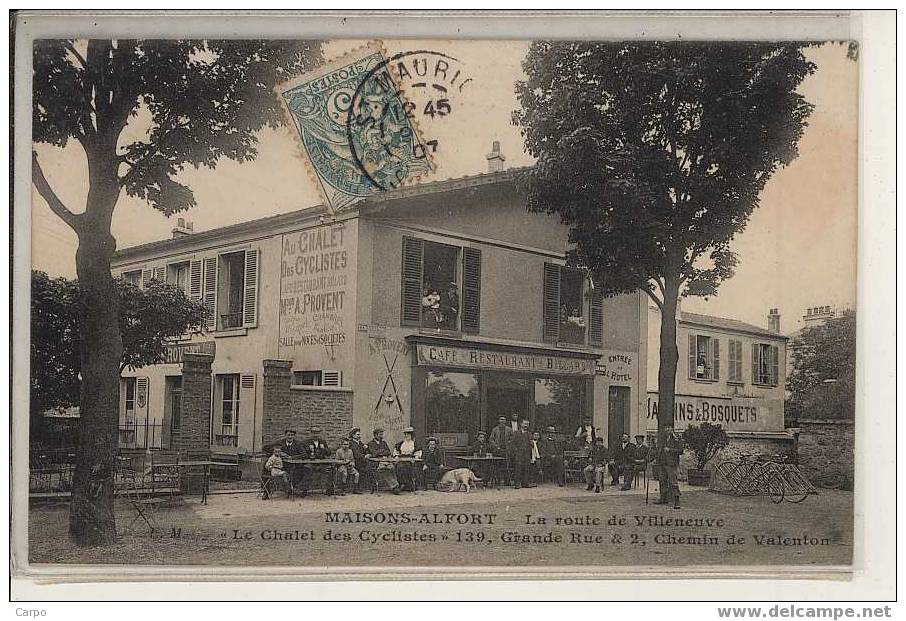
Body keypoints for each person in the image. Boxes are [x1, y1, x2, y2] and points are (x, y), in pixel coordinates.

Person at [655, 427, 684, 508]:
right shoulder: (662, 439)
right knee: (662, 481)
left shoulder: (676, 439)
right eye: (666, 428)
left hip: (671, 464)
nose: (667, 430)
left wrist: (670, 450)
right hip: (662, 463)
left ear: (672, 429)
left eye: (669, 428)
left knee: (673, 482)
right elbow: (659, 449)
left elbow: (681, 451)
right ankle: (663, 498)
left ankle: (677, 500)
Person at [367, 427, 401, 494]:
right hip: (377, 463)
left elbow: (388, 452)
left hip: (386, 461)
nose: (382, 436)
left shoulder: (384, 443)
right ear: (375, 435)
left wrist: (379, 452)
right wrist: (382, 451)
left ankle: (395, 486)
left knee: (392, 467)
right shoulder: (371, 444)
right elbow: (374, 453)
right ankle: (395, 487)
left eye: (382, 434)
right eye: (380, 435)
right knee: (384, 469)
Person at [278, 429, 307, 496]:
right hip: (283, 465)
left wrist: (292, 457)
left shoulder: (298, 443)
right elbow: (267, 447)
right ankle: (266, 491)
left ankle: (293, 488)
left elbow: (304, 454)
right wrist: (279, 453)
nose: (290, 437)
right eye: (288, 435)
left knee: (303, 471)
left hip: (295, 466)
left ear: (294, 436)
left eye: (292, 435)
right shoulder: (280, 442)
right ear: (285, 435)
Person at [394, 426, 421, 492]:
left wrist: (415, 458)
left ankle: (409, 486)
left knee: (408, 467)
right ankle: (402, 484)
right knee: (399, 467)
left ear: (411, 435)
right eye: (405, 434)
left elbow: (418, 452)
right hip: (402, 459)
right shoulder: (401, 443)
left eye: (408, 434)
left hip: (411, 460)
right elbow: (396, 452)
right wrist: (397, 457)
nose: (406, 436)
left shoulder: (415, 444)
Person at [510, 419, 533, 489]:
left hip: (527, 454)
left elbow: (531, 444)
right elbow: (512, 443)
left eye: (527, 424)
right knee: (518, 469)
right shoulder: (516, 433)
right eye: (525, 424)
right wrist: (516, 451)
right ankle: (517, 483)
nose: (526, 425)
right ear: (521, 424)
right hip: (519, 454)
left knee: (526, 468)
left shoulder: (529, 434)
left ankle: (525, 483)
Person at [349, 428, 368, 492]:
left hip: (362, 461)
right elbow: (356, 454)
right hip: (355, 461)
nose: (359, 436)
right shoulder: (351, 443)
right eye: (358, 434)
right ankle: (356, 488)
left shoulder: (360, 443)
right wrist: (365, 456)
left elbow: (367, 450)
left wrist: (366, 449)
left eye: (359, 434)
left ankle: (362, 486)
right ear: (353, 435)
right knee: (362, 469)